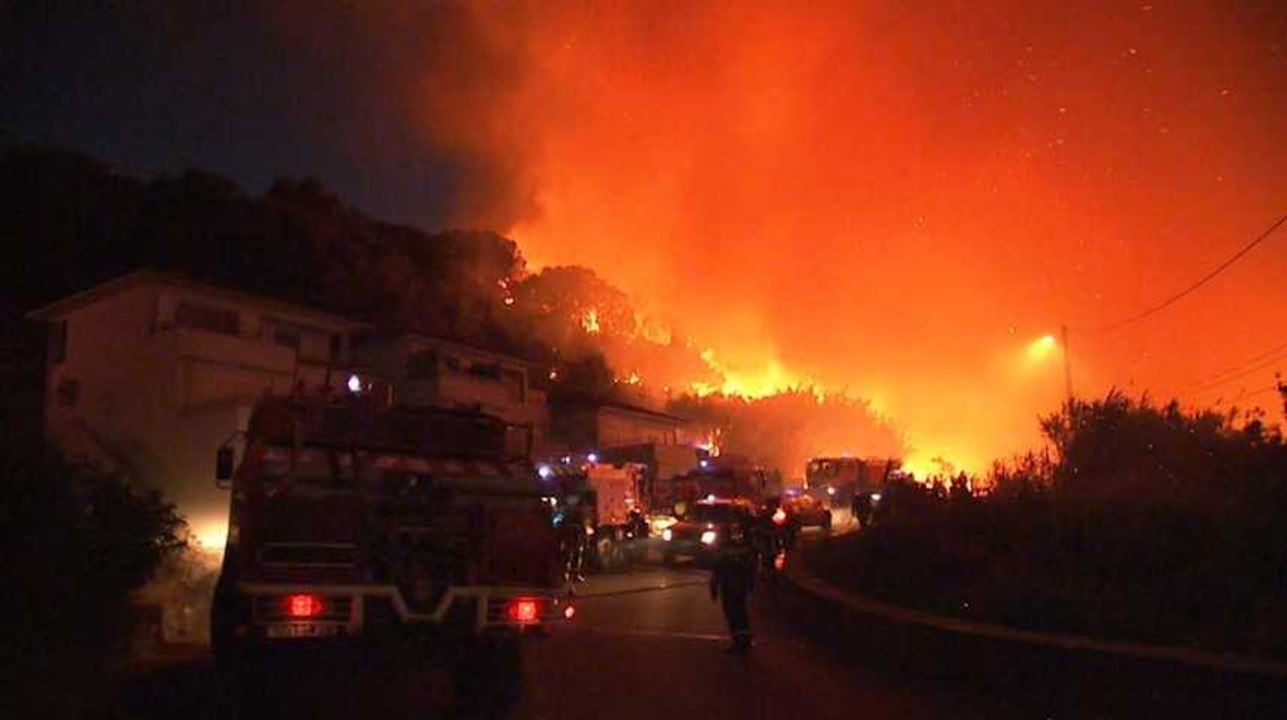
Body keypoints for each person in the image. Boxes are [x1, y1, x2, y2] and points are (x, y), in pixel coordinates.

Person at [709, 525, 756, 653]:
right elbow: (750, 568)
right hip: (740, 586)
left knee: (733, 614)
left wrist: (714, 587)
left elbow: (717, 571)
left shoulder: (723, 551)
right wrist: (750, 585)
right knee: (741, 613)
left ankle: (740, 642)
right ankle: (745, 640)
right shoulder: (744, 550)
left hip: (729, 586)